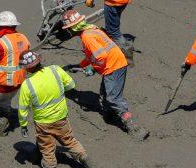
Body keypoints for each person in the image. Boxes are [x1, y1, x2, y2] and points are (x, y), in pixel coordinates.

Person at [62, 9, 149, 140]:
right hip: (116, 62)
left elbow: (101, 56)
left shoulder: (87, 36)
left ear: (74, 28)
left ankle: (133, 126)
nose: (68, 31)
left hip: (113, 66)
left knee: (113, 98)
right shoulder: (92, 29)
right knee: (104, 93)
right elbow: (94, 54)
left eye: (69, 28)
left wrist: (92, 68)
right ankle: (109, 114)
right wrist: (80, 65)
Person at [18, 51, 90, 168]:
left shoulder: (27, 85)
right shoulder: (55, 70)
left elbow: (23, 109)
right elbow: (71, 85)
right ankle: (82, 156)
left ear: (27, 69)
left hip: (43, 123)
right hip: (61, 117)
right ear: (39, 61)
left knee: (46, 146)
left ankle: (49, 166)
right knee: (69, 140)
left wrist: (23, 125)